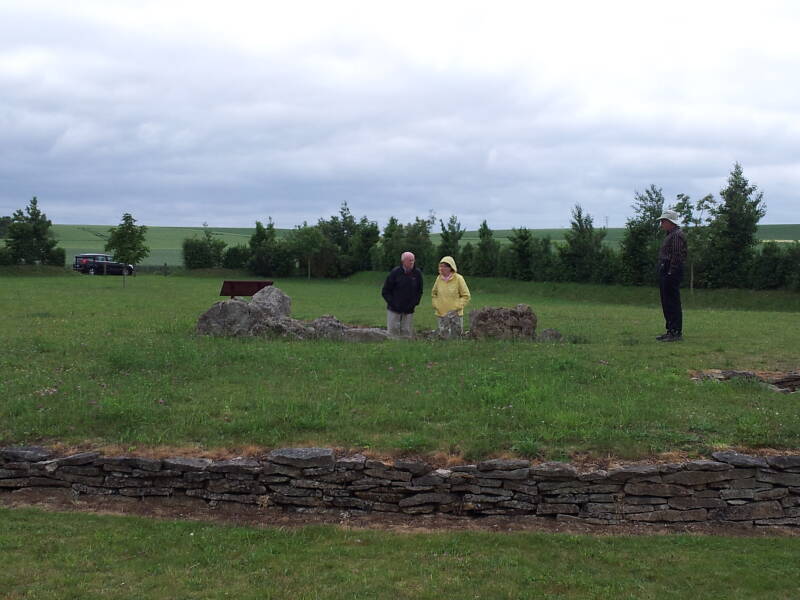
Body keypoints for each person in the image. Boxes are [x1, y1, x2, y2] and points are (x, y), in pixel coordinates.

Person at [656, 209, 688, 342]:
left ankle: (675, 332)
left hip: (671, 271)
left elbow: (677, 256)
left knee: (672, 302)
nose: (661, 223)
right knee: (666, 302)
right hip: (666, 269)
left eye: (663, 221)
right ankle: (670, 330)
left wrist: (671, 272)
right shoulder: (671, 234)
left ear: (670, 222)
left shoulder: (676, 235)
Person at [382, 251, 423, 337]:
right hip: (394, 309)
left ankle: (405, 348)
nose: (412, 262)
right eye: (409, 260)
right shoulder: (395, 273)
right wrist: (393, 304)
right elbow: (385, 291)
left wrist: (414, 303)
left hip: (409, 310)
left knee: (406, 332)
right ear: (403, 261)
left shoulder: (417, 273)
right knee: (392, 331)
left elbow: (419, 291)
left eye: (413, 260)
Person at [431, 256, 471, 332]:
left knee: (455, 337)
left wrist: (456, 307)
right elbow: (434, 294)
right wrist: (436, 305)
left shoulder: (459, 278)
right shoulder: (439, 278)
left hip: (455, 315)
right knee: (443, 337)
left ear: (450, 267)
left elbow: (466, 296)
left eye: (444, 267)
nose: (441, 268)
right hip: (441, 314)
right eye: (440, 266)